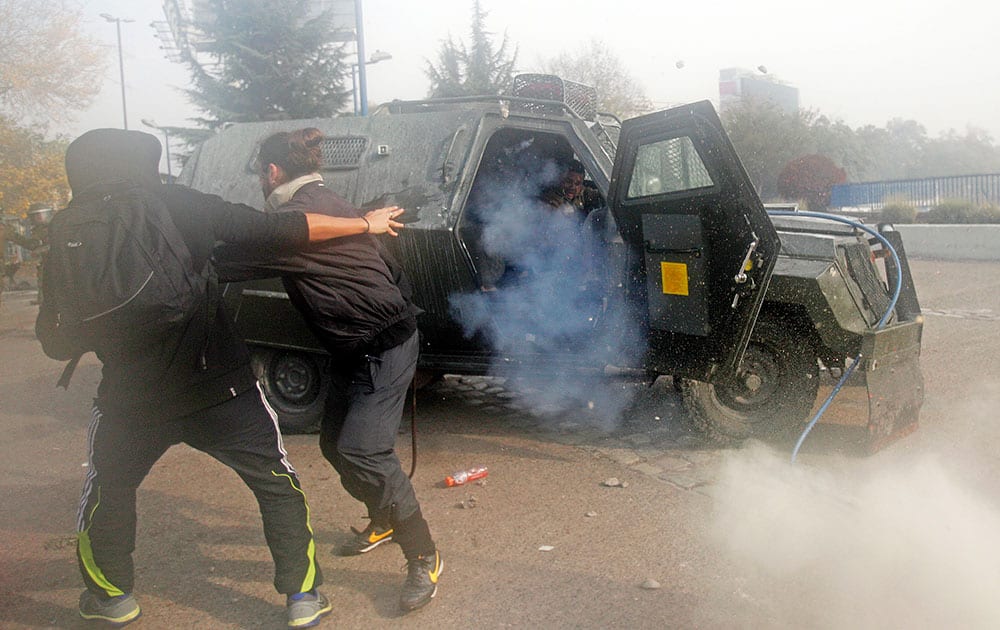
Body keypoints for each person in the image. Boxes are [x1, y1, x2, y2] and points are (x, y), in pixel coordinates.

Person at [35, 128, 405, 629]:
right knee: (276, 484)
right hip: (222, 388)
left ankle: (111, 598)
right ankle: (302, 597)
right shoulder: (178, 203)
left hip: (130, 398)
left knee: (108, 490)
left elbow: (56, 340)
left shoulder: (67, 228)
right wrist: (363, 222)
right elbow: (283, 230)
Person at [214, 127, 442, 613]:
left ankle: (423, 553)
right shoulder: (329, 201)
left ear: (271, 171)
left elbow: (226, 260)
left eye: (260, 172)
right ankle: (384, 517)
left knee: (363, 450)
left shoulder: (296, 220)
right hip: (357, 344)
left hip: (383, 344)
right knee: (334, 446)